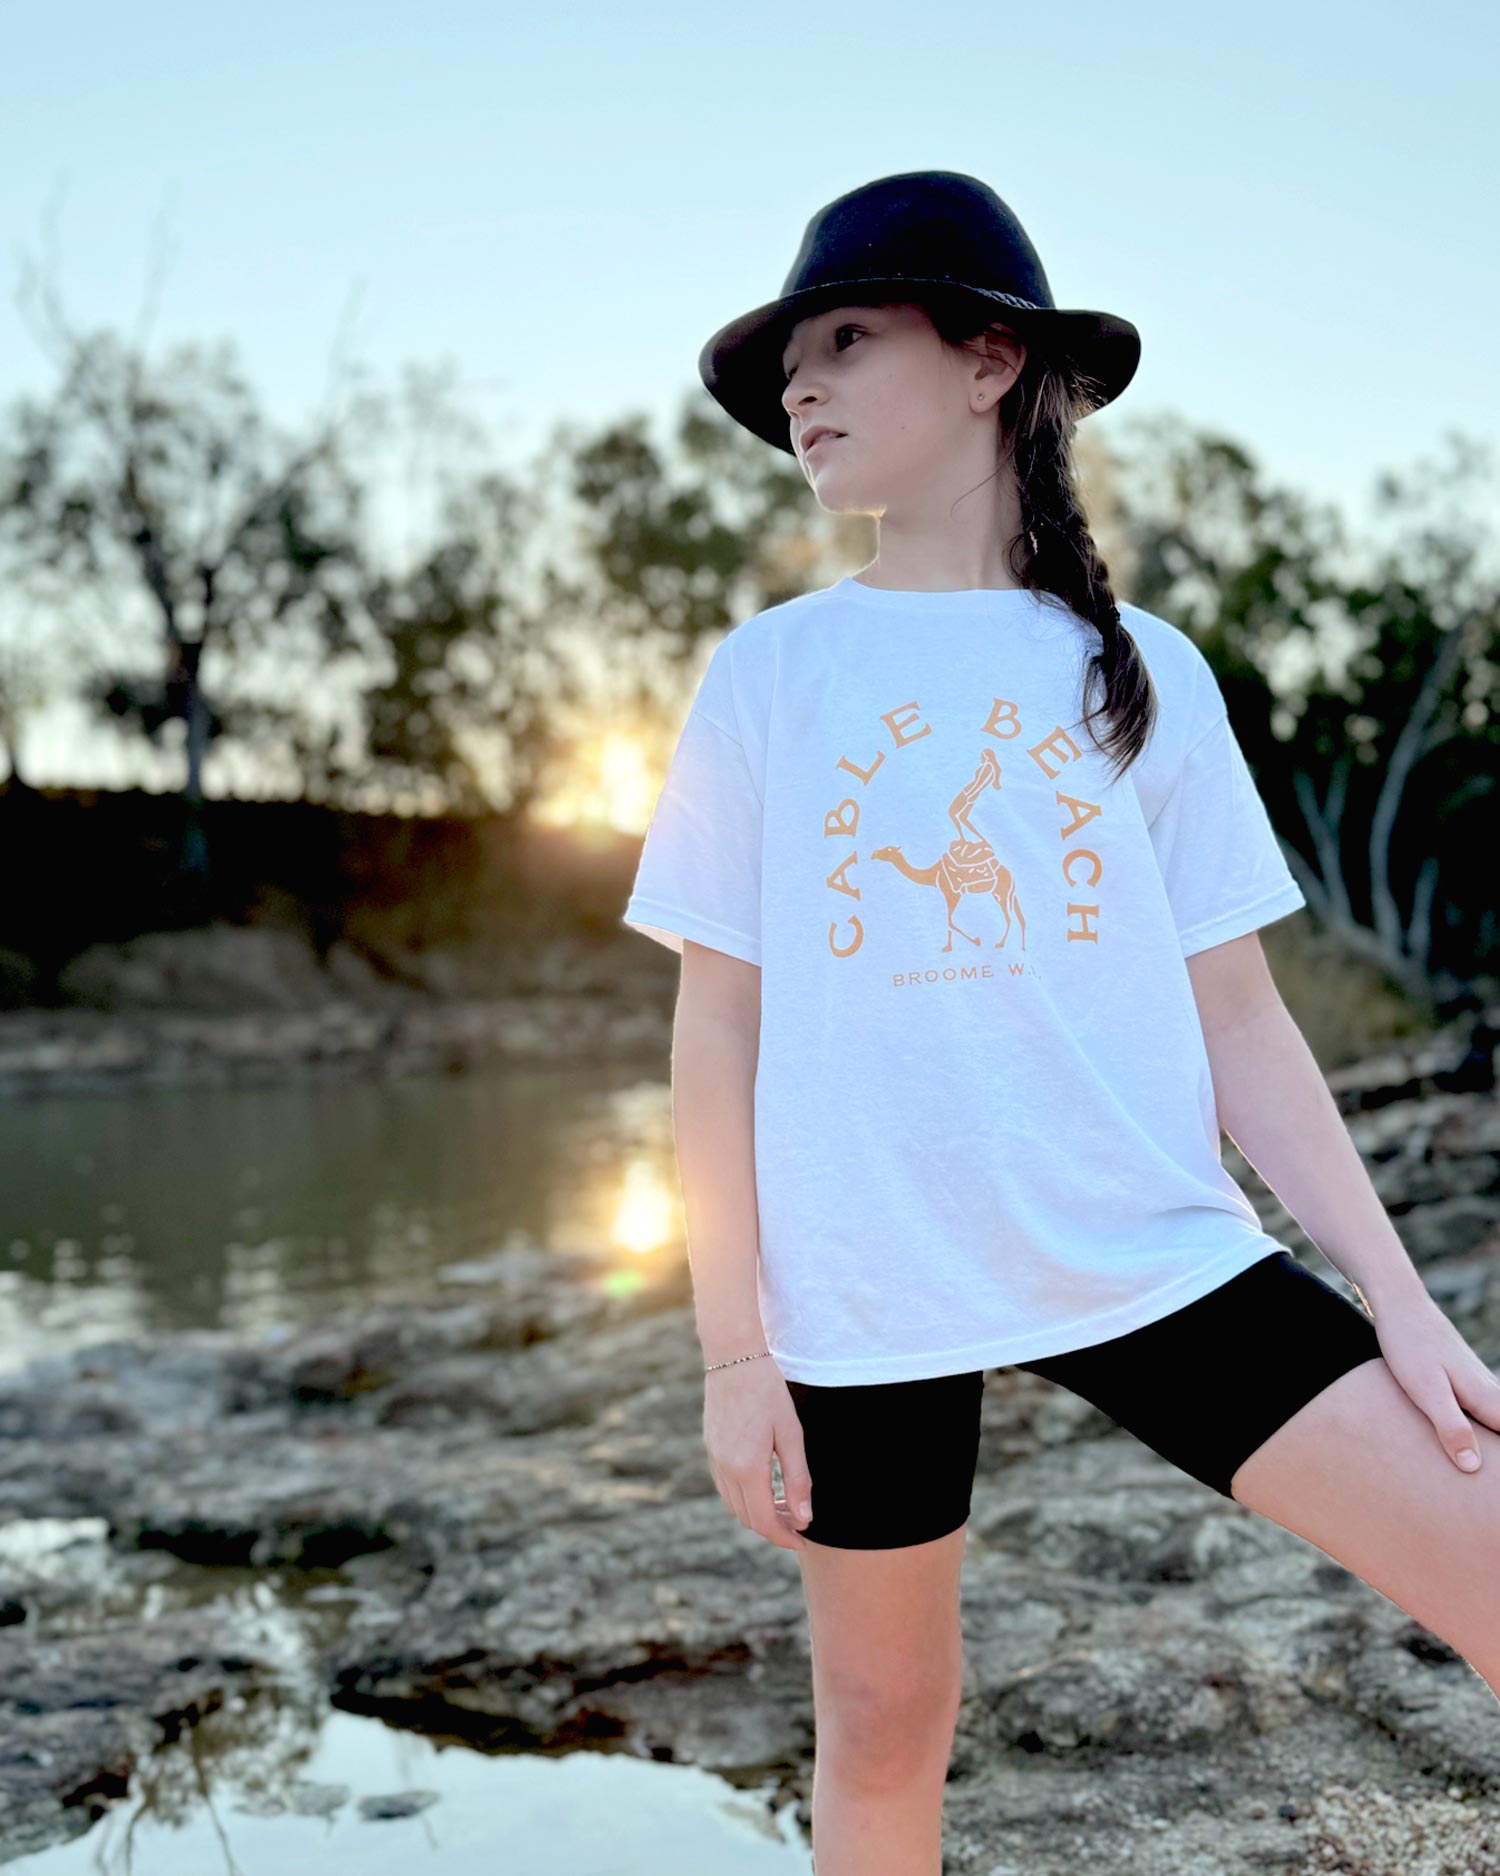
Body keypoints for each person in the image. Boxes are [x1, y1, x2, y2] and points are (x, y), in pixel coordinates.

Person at [621, 171, 1500, 1875]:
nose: (800, 386)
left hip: (1145, 1248)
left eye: (847, 340)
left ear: (990, 363)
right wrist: (736, 1357)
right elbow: (712, 1034)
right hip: (862, 1293)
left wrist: (1402, 1306)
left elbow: (1240, 1023)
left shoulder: (1141, 665)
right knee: (886, 1742)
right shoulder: (773, 676)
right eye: (790, 361)